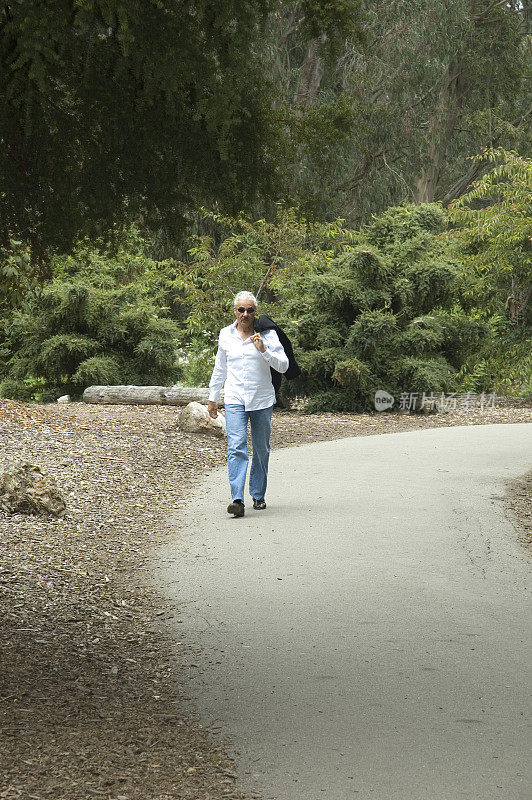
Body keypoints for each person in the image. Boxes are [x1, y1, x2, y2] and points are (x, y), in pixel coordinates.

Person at [207, 291, 289, 517]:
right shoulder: (225, 334)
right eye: (241, 310)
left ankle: (258, 494)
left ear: (255, 312)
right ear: (235, 311)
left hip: (261, 399)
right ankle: (237, 499)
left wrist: (264, 350)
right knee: (236, 447)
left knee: (261, 449)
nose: (245, 314)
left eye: (249, 310)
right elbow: (220, 368)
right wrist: (213, 397)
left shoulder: (268, 335)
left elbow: (283, 365)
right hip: (235, 399)